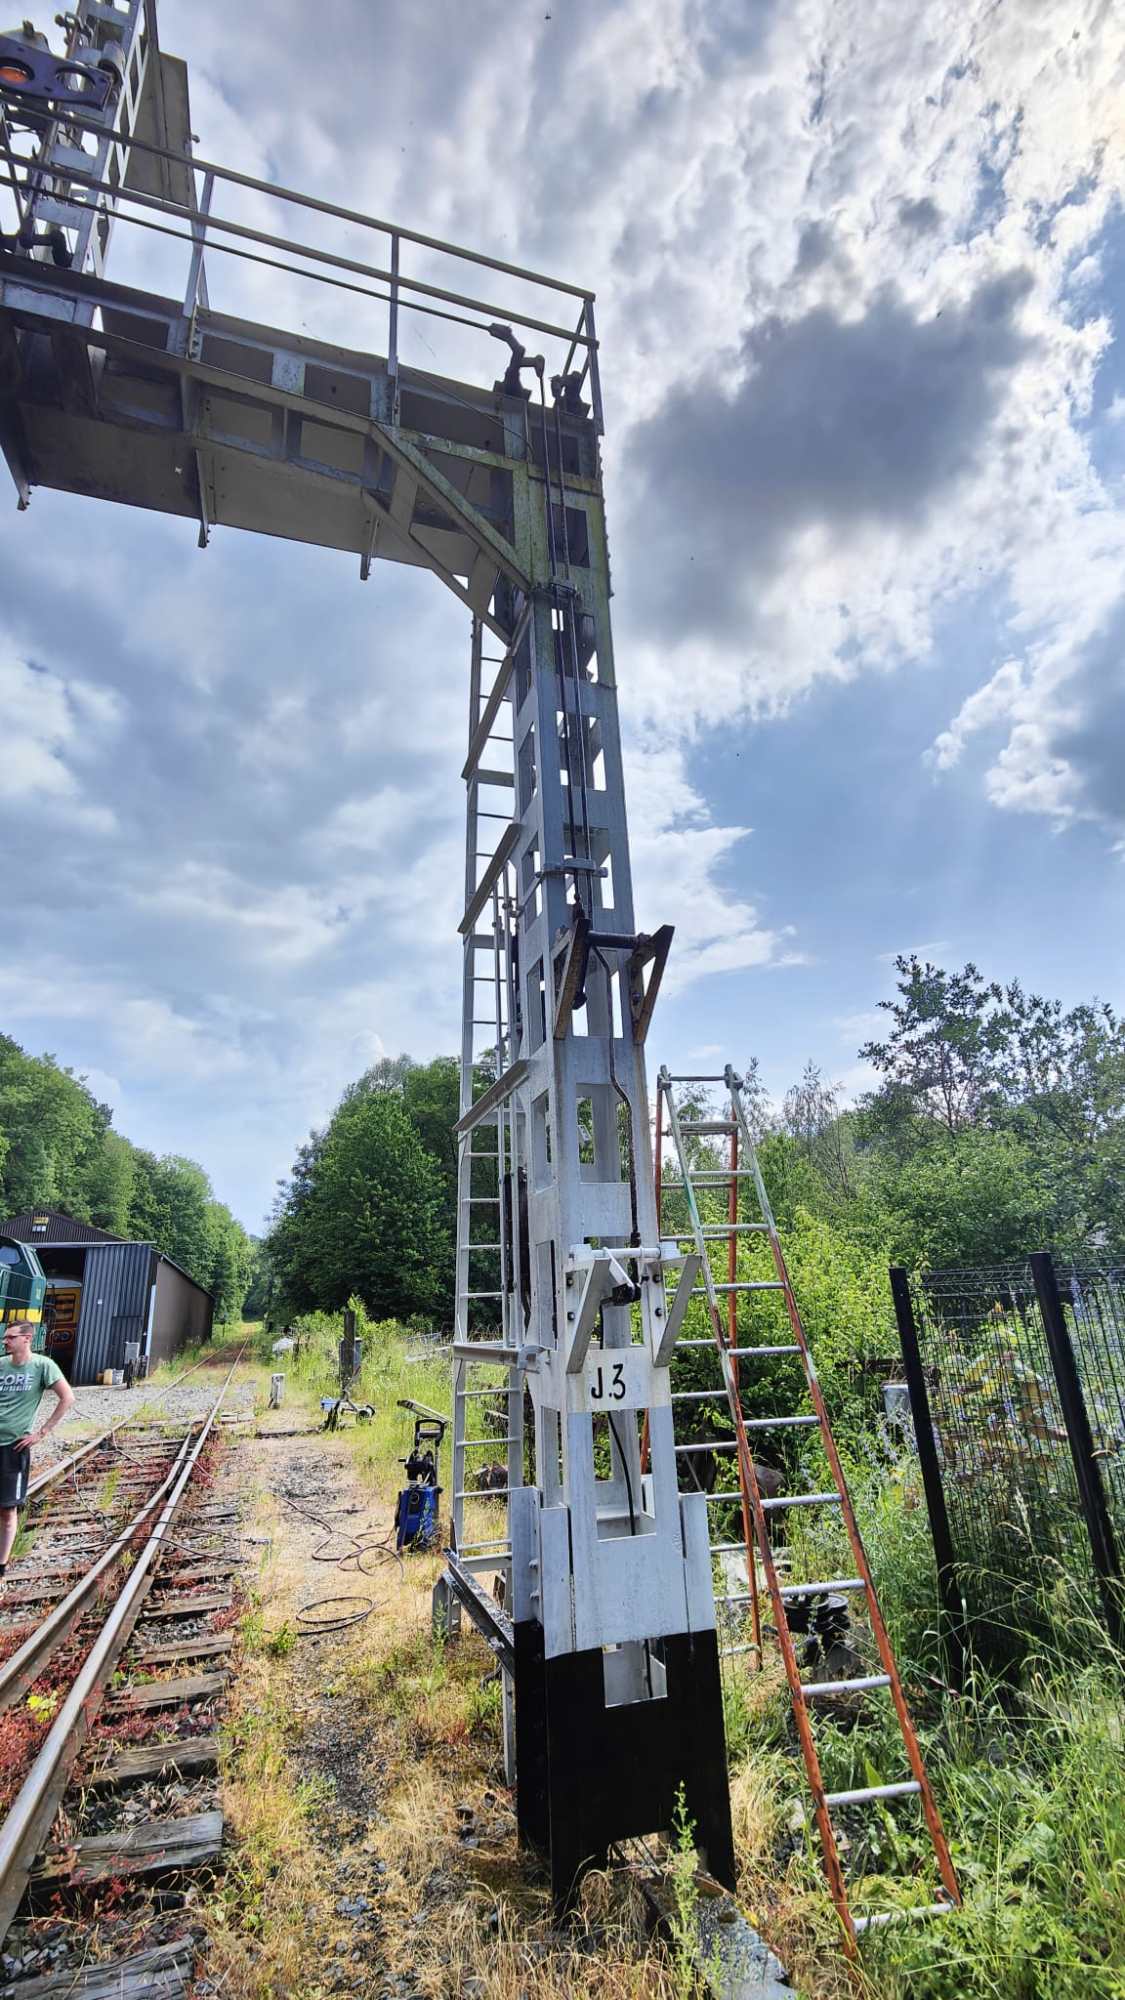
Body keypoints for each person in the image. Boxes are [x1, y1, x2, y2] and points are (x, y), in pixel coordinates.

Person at [0, 1320, 75, 1576]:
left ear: (26, 1339)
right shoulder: (0, 1364)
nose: (5, 1341)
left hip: (13, 1447)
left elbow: (68, 1397)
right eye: (5, 1337)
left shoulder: (43, 1366)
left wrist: (41, 1433)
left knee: (8, 1509)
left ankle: (1, 1565)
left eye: (10, 1337)